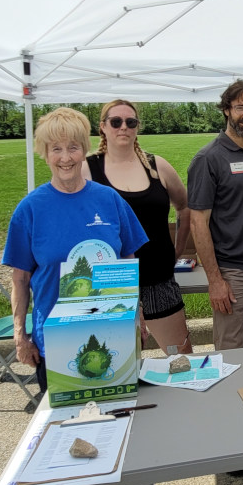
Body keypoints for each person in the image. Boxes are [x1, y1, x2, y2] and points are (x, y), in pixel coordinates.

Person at [2, 107, 148, 485]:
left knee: (120, 410)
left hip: (112, 331)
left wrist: (135, 313)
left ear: (85, 150)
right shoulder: (30, 209)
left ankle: (124, 475)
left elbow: (128, 256)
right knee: (64, 423)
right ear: (44, 154)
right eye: (55, 149)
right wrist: (20, 334)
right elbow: (19, 279)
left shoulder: (108, 200)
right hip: (57, 338)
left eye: (73, 147)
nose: (65, 157)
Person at [83, 99, 193, 355]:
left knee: (182, 361)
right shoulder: (87, 169)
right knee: (117, 363)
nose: (124, 127)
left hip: (159, 280)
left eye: (130, 122)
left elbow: (184, 207)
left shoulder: (158, 166)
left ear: (137, 127)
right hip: (111, 285)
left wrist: (178, 250)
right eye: (116, 122)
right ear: (103, 127)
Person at [187, 80, 243, 351]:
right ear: (227, 109)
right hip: (232, 274)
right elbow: (198, 223)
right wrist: (215, 281)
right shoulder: (208, 158)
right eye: (241, 107)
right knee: (230, 351)